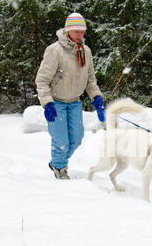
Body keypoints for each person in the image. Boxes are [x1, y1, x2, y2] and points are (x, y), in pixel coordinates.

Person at [35, 12, 105, 180]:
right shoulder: (55, 51)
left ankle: (56, 162)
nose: (80, 35)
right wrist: (47, 103)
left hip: (74, 102)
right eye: (76, 31)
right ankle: (60, 169)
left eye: (82, 31)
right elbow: (42, 80)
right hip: (56, 102)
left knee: (77, 139)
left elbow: (90, 79)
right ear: (68, 31)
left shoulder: (85, 51)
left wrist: (96, 98)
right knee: (61, 140)